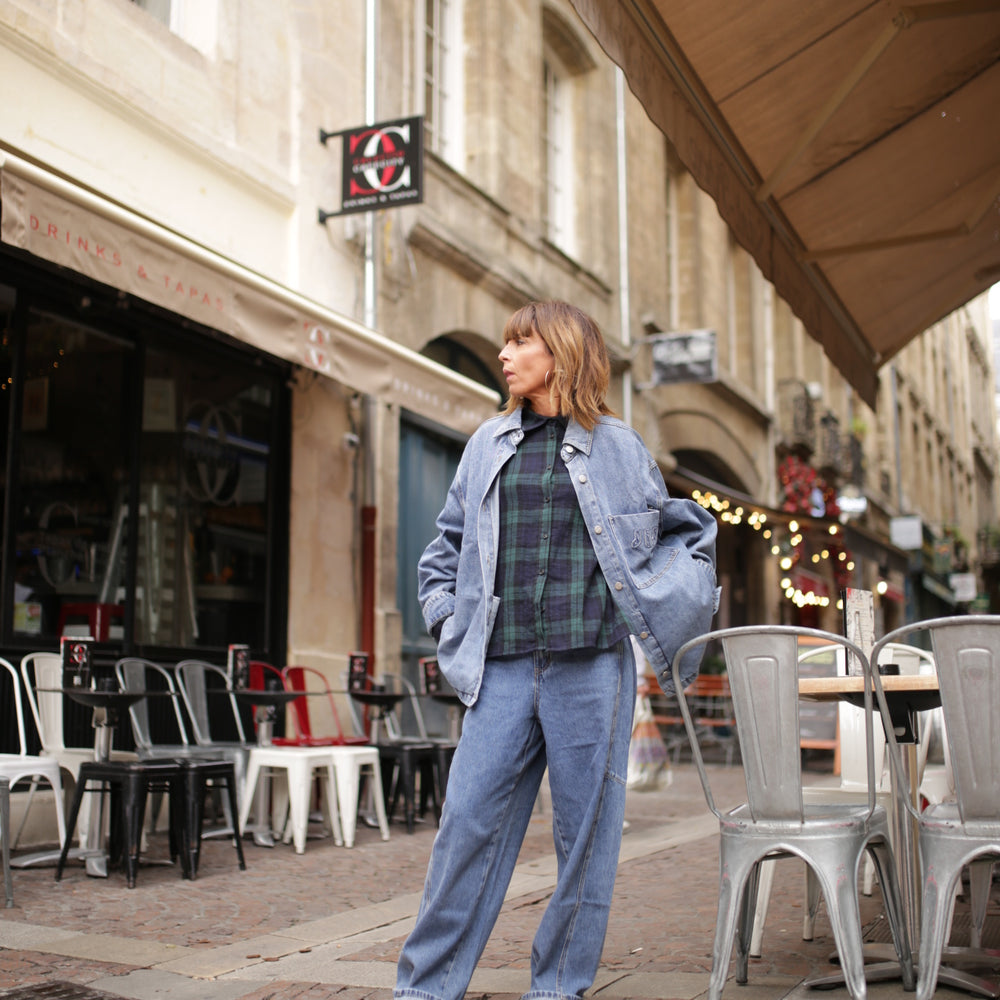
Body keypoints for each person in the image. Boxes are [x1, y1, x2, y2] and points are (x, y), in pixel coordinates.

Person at [395, 301, 719, 1000]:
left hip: (591, 669)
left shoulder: (620, 447)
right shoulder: (486, 443)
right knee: (465, 834)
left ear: (563, 353)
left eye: (521, 342)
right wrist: (449, 618)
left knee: (586, 846)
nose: (506, 355)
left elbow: (682, 533)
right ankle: (424, 990)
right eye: (507, 343)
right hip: (503, 669)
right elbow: (445, 548)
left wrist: (665, 605)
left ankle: (557, 989)